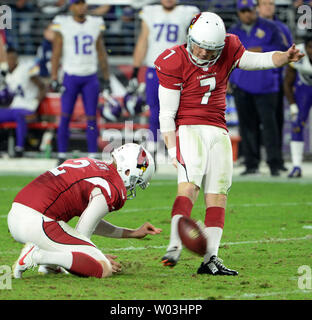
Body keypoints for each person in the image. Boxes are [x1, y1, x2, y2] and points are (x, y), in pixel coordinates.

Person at [155, 11, 303, 275]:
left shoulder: (230, 47)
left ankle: (210, 258)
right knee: (189, 187)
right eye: (198, 46)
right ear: (189, 38)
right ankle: (174, 246)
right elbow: (166, 113)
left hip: (218, 129)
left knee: (218, 195)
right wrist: (172, 149)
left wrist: (284, 57)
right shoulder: (173, 60)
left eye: (210, 50)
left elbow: (255, 60)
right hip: (190, 129)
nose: (202, 54)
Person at [8, 143, 161, 279]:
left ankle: (50, 264)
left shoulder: (93, 165)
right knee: (103, 268)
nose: (132, 187)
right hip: (37, 220)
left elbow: (91, 220)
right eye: (136, 181)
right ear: (128, 171)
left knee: (81, 249)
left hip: (20, 214)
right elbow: (84, 229)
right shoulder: (112, 186)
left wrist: (132, 233)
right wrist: (93, 257)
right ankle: (38, 256)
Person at [128, 0, 199, 152]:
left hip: (178, 69)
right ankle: (153, 148)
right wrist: (135, 70)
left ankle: (178, 148)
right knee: (155, 109)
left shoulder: (187, 11)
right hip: (155, 68)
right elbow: (143, 41)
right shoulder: (150, 11)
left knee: (179, 109)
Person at [229, 0, 288, 176]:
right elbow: (225, 57)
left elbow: (283, 50)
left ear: (255, 10)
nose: (247, 14)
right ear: (239, 13)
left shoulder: (270, 27)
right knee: (247, 127)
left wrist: (261, 49)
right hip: (241, 84)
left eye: (250, 10)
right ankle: (251, 163)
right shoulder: (233, 31)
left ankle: (275, 164)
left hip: (266, 85)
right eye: (243, 11)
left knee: (270, 126)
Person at [51, 0, 112, 165]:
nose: (82, 6)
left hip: (90, 76)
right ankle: (61, 153)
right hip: (70, 75)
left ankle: (93, 154)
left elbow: (101, 52)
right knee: (65, 116)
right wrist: (54, 76)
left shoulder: (95, 23)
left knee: (92, 117)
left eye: (83, 3)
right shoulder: (63, 23)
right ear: (71, 7)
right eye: (77, 3)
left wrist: (106, 77)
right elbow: (56, 51)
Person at [257, 0, 293, 172]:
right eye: (264, 3)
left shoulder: (281, 28)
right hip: (251, 81)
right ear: (258, 7)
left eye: (271, 3)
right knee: (251, 123)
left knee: (275, 123)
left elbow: (290, 52)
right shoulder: (249, 26)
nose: (268, 6)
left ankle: (276, 160)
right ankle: (251, 161)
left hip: (274, 82)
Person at [0, 48, 46, 157]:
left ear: (16, 58)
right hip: (15, 107)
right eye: (8, 58)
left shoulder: (26, 68)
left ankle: (19, 148)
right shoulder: (8, 74)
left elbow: (42, 86)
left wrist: (36, 102)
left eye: (12, 58)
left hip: (28, 108)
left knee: (19, 115)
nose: (10, 61)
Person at [284, 36, 312, 178]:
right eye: (310, 47)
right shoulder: (298, 53)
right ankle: (296, 166)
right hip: (304, 89)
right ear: (306, 48)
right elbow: (287, 83)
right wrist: (293, 105)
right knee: (297, 124)